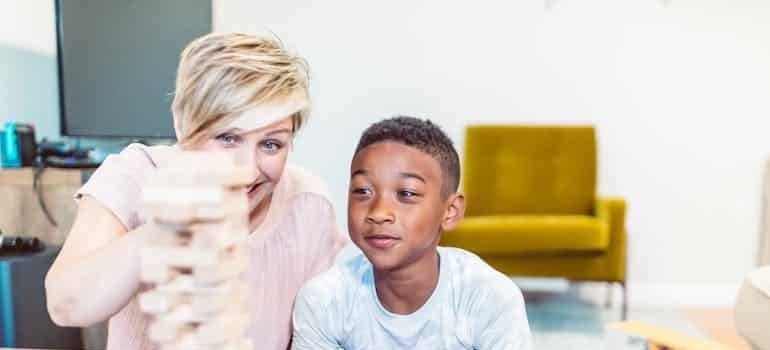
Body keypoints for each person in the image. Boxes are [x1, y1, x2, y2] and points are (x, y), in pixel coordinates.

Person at [45, 32, 346, 350]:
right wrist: (164, 229)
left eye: (271, 144)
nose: (246, 169)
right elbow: (66, 306)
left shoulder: (308, 204)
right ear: (181, 122)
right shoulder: (136, 174)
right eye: (228, 137)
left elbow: (315, 337)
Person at [292, 116, 532, 349]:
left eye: (406, 194)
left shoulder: (489, 297)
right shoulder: (323, 300)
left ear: (450, 211)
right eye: (363, 191)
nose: (379, 212)